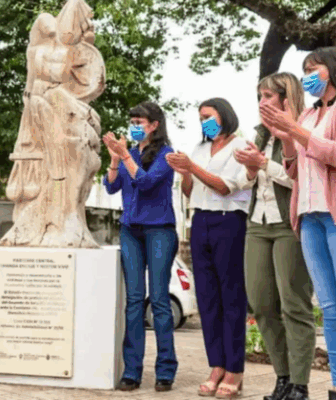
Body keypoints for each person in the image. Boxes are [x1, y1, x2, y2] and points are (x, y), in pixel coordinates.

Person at [260, 47, 336, 400]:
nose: (307, 76)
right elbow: (296, 168)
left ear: (332, 69)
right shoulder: (310, 113)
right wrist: (286, 137)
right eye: (304, 70)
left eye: (312, 68)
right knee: (329, 309)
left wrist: (293, 130)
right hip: (311, 216)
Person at [234, 74, 315, 400]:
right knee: (262, 304)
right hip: (257, 224)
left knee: (294, 305)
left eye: (268, 95)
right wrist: (252, 168)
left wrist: (264, 164)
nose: (262, 101)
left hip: (288, 225)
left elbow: (301, 179)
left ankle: (299, 384)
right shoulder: (259, 134)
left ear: (286, 98)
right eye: (259, 96)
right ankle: (282, 378)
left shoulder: (303, 128)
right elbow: (244, 181)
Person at [166, 98, 252, 399]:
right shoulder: (200, 149)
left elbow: (225, 186)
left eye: (209, 116)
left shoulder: (240, 146)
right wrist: (184, 172)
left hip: (229, 222)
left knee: (232, 298)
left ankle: (234, 370)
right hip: (200, 221)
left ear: (224, 115)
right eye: (201, 117)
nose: (204, 122)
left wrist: (193, 168)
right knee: (207, 299)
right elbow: (192, 191)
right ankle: (216, 365)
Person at [103, 101, 178, 393]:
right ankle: (132, 371)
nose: (135, 125)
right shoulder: (129, 154)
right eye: (132, 120)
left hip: (159, 230)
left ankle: (165, 370)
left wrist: (125, 158)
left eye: (140, 121)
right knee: (134, 301)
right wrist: (115, 159)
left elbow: (145, 183)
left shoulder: (166, 154)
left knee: (159, 301)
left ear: (154, 124)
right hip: (130, 231)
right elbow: (111, 187)